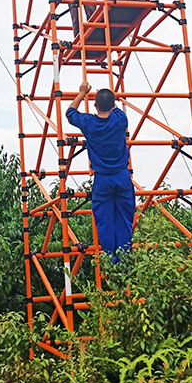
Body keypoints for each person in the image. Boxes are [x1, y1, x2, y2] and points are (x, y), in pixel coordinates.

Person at [66, 82, 136, 263]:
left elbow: (70, 113)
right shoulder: (121, 120)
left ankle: (110, 261)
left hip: (102, 179)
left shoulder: (89, 123)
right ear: (113, 105)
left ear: (95, 105)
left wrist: (82, 93)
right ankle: (124, 260)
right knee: (124, 219)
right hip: (122, 176)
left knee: (105, 221)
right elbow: (116, 107)